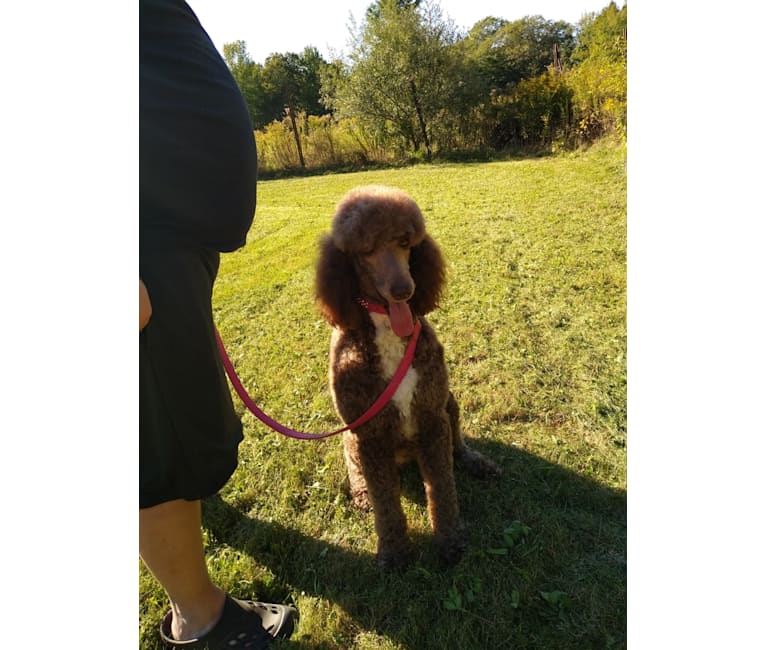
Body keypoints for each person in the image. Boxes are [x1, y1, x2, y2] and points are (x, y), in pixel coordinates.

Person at [139, 1, 298, 647]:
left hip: (165, 238)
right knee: (157, 446)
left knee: (175, 424)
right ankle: (201, 620)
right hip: (141, 248)